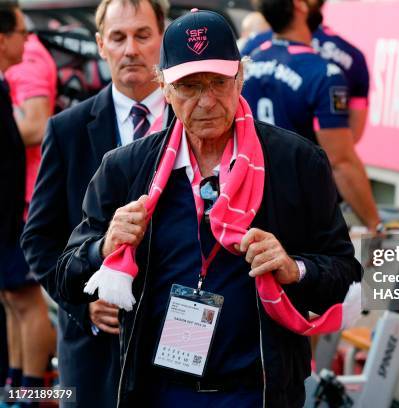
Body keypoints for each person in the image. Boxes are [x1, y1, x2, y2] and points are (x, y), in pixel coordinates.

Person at [54, 9, 361, 407]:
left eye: (218, 82)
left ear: (240, 79)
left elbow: (346, 273)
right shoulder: (126, 169)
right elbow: (65, 277)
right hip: (158, 391)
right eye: (189, 86)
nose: (206, 101)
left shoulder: (296, 162)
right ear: (164, 88)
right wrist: (103, 247)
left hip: (258, 390)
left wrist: (294, 268)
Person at [20, 1, 168, 406]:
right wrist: (80, 304)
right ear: (102, 45)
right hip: (93, 359)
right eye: (118, 38)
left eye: (142, 35)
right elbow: (39, 238)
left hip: (174, 350)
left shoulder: (191, 121)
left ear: (162, 38)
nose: (130, 49)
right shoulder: (67, 128)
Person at [241, 0, 380, 233]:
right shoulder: (324, 73)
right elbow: (341, 161)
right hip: (301, 211)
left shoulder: (248, 58)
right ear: (299, 6)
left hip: (247, 205)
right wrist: (375, 224)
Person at [0, 5, 55, 407]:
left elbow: (34, 126)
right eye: (23, 30)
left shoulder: (32, 61)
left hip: (23, 206)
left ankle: (31, 392)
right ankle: (16, 387)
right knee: (11, 299)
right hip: (10, 208)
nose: (28, 37)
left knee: (26, 297)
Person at [241, 0, 370, 143]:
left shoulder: (252, 47)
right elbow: (344, 149)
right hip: (309, 159)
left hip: (250, 160)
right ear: (299, 5)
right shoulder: (349, 59)